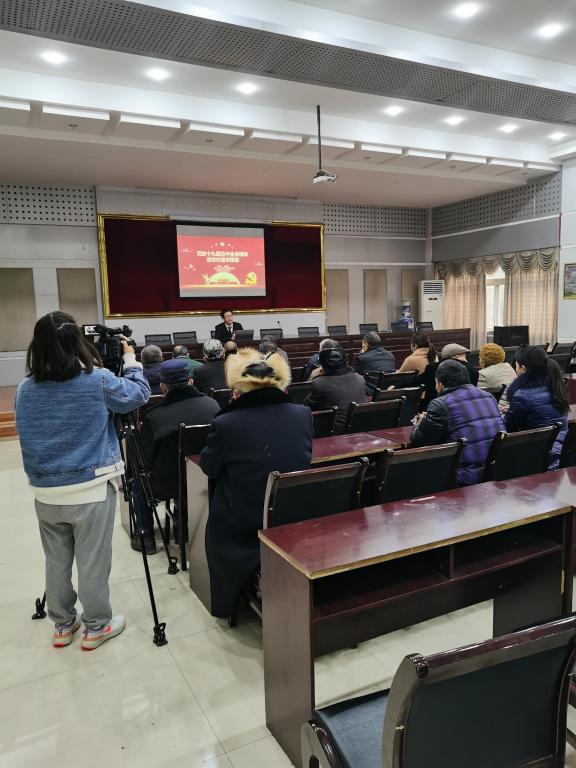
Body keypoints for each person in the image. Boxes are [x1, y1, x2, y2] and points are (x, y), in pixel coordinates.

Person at [15, 311, 150, 650]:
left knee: (56, 561)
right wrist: (131, 361)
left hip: (46, 491)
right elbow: (139, 394)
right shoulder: (97, 380)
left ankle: (62, 624)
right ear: (77, 343)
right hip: (90, 488)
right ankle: (96, 627)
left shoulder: (24, 389)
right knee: (92, 562)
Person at [199, 348, 313, 618]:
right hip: (294, 510)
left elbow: (209, 467)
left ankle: (228, 600)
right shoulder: (302, 413)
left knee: (216, 510)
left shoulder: (226, 423)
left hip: (245, 520)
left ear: (239, 388)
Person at [140, 359, 220, 550]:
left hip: (169, 484)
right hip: (207, 479)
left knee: (138, 481)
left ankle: (146, 537)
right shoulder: (212, 405)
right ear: (190, 381)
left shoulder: (154, 416)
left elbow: (144, 459)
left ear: (163, 387)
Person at [411, 359, 503, 485]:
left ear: (440, 384)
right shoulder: (489, 396)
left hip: (460, 476)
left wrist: (420, 422)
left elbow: (418, 440)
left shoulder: (440, 404)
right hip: (492, 471)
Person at [504, 346, 569, 469]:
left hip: (539, 460)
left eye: (516, 366)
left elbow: (508, 429)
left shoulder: (522, 395)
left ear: (523, 369)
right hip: (562, 453)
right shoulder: (556, 386)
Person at [304, 345, 368, 434]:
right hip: (362, 429)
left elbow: (307, 406)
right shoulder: (360, 378)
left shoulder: (319, 383)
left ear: (322, 366)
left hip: (335, 433)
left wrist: (314, 377)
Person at [417, 342, 479, 409]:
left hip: (432, 408)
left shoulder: (431, 369)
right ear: (455, 357)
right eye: (464, 358)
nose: (466, 361)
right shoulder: (472, 370)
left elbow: (417, 383)